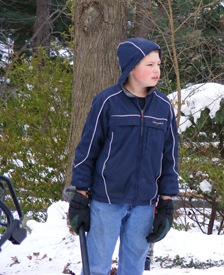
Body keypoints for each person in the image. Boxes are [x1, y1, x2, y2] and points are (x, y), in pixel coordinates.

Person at [67, 38, 179, 275]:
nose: (156, 70)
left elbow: (170, 158)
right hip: (106, 201)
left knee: (134, 268)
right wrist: (80, 195)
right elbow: (87, 150)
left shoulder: (163, 107)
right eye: (149, 64)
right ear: (131, 67)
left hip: (144, 204)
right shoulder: (107, 102)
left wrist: (167, 202)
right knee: (97, 266)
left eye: (158, 64)